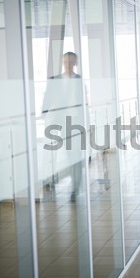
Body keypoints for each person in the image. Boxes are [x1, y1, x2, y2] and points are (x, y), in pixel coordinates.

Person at [42, 52, 84, 201]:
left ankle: (75, 187)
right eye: (65, 61)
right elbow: (47, 98)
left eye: (71, 62)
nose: (68, 64)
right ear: (62, 63)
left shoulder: (79, 81)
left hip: (75, 121)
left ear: (75, 63)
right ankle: (56, 179)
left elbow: (85, 102)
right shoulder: (55, 80)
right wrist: (43, 113)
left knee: (75, 154)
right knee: (60, 152)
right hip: (60, 121)